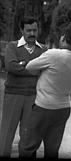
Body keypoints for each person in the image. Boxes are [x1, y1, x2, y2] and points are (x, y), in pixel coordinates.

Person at [24, 22, 71, 158]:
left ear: (64, 38)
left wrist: (40, 72)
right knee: (52, 150)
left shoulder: (54, 54)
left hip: (44, 107)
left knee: (28, 147)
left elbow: (30, 67)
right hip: (63, 109)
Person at [0, 16, 47, 157]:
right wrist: (34, 67)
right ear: (21, 30)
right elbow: (10, 66)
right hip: (13, 95)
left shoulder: (44, 49)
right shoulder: (12, 46)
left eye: (35, 30)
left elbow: (45, 70)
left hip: (34, 97)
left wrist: (22, 64)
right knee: (6, 133)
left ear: (38, 30)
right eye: (28, 30)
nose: (32, 33)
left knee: (28, 136)